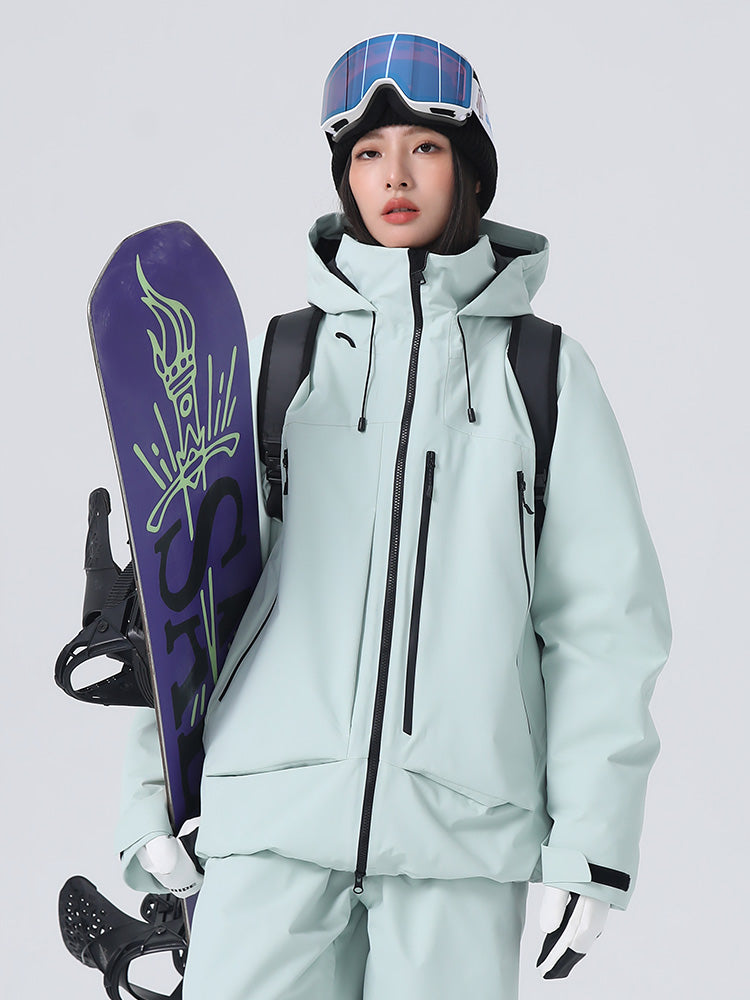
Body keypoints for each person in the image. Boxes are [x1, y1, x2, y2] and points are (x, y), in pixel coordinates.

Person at [115, 32, 672, 999]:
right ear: (345, 176)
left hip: (464, 834)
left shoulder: (541, 375)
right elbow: (189, 601)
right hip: (270, 815)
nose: (395, 176)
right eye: (368, 153)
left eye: (425, 148)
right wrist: (149, 800)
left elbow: (603, 626)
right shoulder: (283, 363)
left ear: (470, 171)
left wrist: (593, 842)